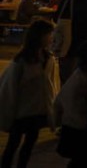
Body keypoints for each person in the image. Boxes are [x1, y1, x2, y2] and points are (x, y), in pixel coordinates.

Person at [0, 19, 59, 168]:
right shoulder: (21, 61)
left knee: (28, 145)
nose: (51, 37)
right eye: (49, 34)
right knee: (13, 144)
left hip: (36, 110)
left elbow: (49, 85)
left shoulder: (48, 58)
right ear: (40, 36)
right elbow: (10, 87)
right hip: (21, 111)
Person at [54, 40, 87, 167]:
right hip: (78, 126)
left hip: (72, 125)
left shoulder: (79, 75)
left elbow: (60, 100)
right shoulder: (83, 79)